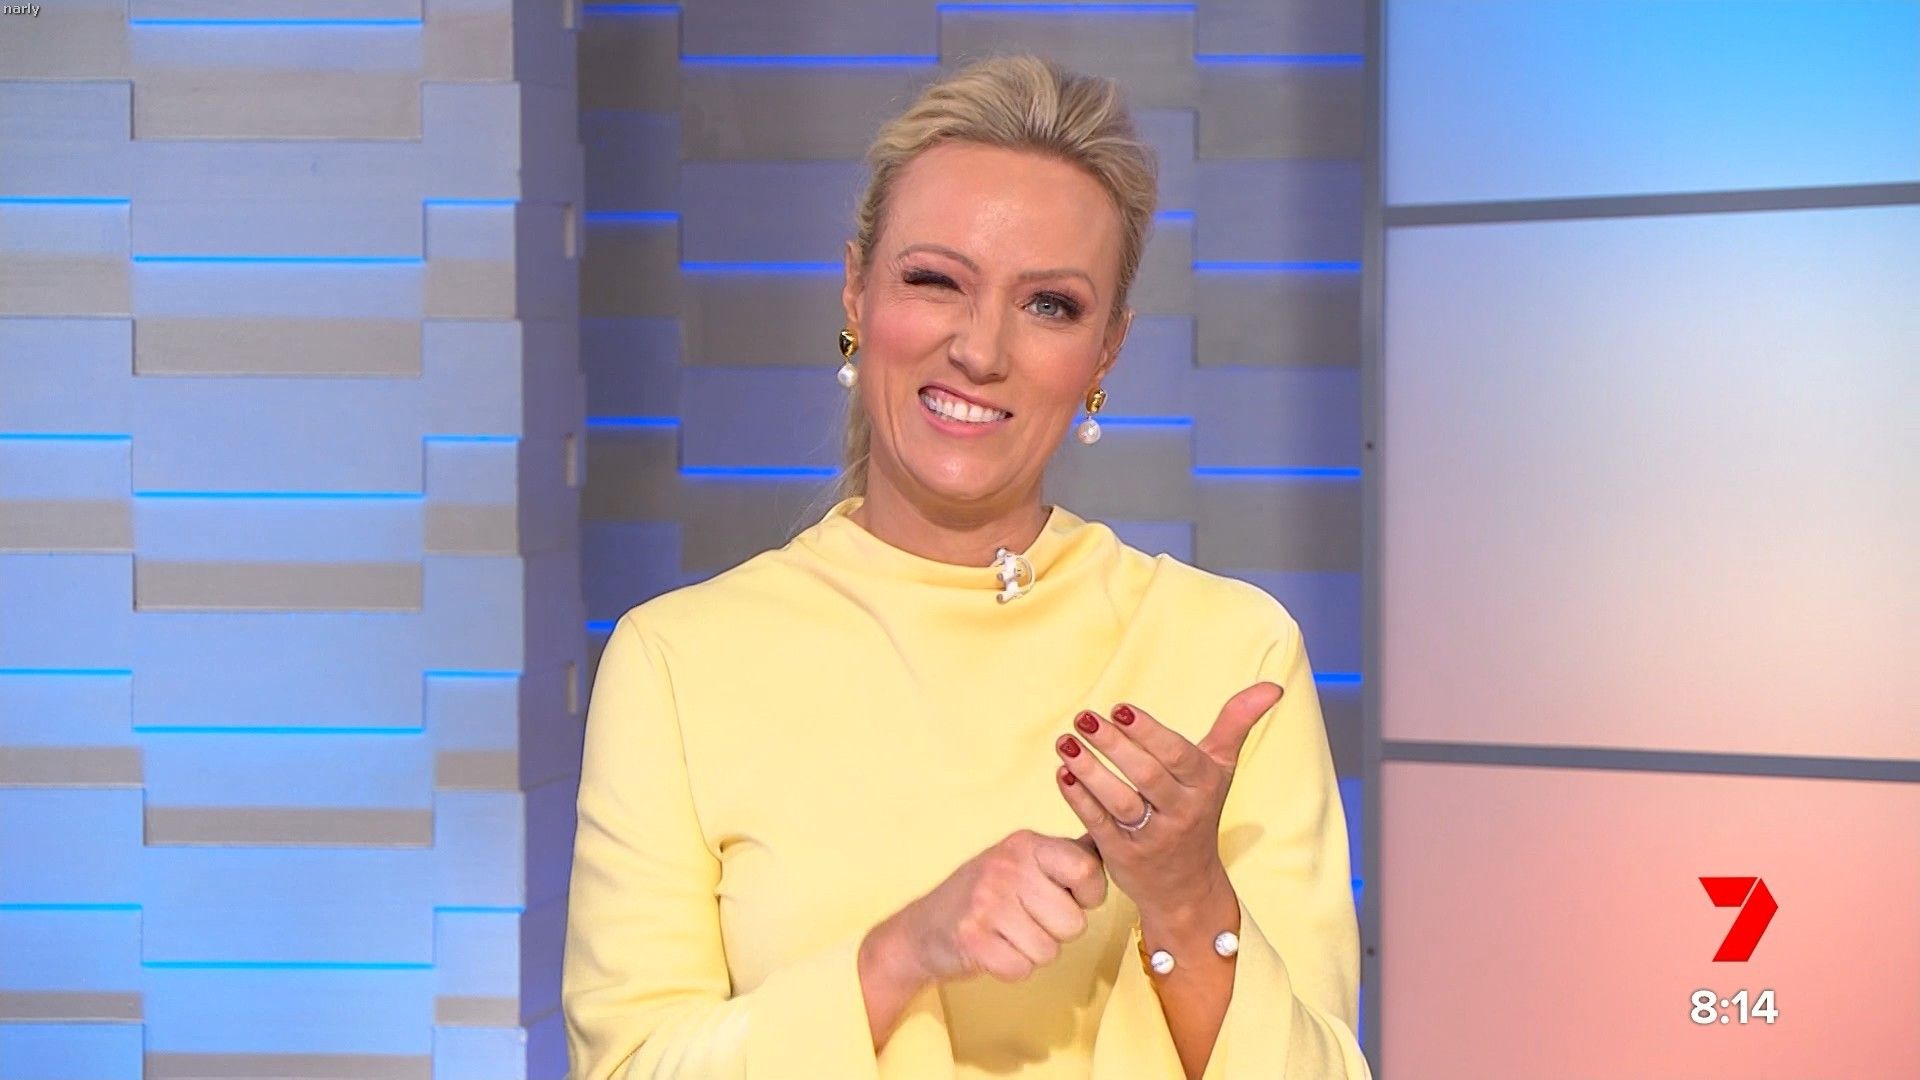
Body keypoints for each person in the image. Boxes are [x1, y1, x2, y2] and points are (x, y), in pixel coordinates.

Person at [561, 54, 1370, 1080]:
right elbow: (629, 1066)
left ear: (1107, 352)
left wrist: (1185, 895)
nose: (981, 350)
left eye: (1050, 306)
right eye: (935, 280)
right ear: (856, 290)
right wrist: (900, 956)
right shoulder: (678, 662)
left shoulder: (1230, 653)